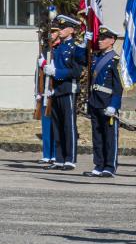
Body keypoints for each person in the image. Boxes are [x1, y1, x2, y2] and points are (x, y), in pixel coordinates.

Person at [39, 15, 88, 171]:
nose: (59, 31)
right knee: (57, 126)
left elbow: (76, 71)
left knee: (68, 125)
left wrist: (56, 72)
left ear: (72, 30)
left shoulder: (75, 48)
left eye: (62, 28)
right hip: (55, 90)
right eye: (59, 28)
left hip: (68, 90)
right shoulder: (58, 48)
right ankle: (59, 159)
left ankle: (70, 159)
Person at [83, 26, 123, 178]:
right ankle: (98, 164)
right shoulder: (96, 58)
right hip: (95, 101)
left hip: (107, 103)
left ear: (112, 40)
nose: (100, 41)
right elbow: (81, 60)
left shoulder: (115, 60)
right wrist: (83, 43)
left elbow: (118, 87)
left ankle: (109, 166)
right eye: (99, 38)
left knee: (109, 136)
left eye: (103, 38)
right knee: (97, 135)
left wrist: (114, 104)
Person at [36, 24, 60, 165]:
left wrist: (44, 63)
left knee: (56, 126)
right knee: (46, 125)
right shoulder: (45, 51)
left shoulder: (60, 50)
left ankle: (56, 154)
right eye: (50, 32)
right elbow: (38, 75)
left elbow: (57, 69)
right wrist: (38, 92)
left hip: (56, 92)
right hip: (44, 92)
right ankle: (46, 154)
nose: (52, 34)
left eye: (55, 31)